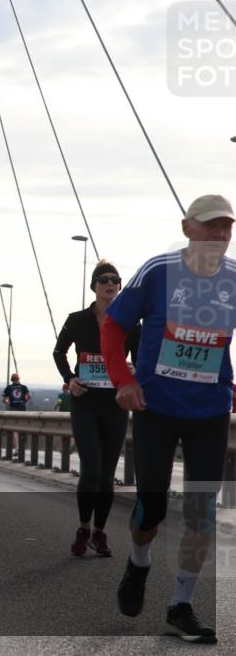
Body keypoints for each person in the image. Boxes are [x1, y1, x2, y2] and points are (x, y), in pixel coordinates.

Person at [102, 194, 234, 644]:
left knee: (201, 512)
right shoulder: (158, 271)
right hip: (155, 408)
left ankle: (180, 606)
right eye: (211, 226)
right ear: (187, 228)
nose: (219, 235)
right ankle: (139, 562)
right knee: (152, 506)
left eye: (227, 228)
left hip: (211, 412)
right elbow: (114, 326)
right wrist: (123, 380)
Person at [53, 260, 139, 558]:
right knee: (91, 469)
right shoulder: (77, 319)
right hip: (86, 402)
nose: (110, 283)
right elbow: (58, 351)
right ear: (94, 285)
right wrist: (70, 379)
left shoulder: (129, 323)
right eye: (104, 279)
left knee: (106, 474)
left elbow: (141, 359)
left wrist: (133, 371)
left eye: (115, 279)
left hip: (115, 403)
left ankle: (100, 533)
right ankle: (83, 526)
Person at [2, 373, 31, 452]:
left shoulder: (8, 388)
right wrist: (23, 401)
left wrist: (8, 402)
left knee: (14, 428)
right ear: (19, 379)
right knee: (22, 426)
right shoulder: (24, 387)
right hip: (22, 409)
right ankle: (23, 442)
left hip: (13, 409)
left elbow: (4, 400)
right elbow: (29, 396)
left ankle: (16, 447)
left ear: (11, 379)